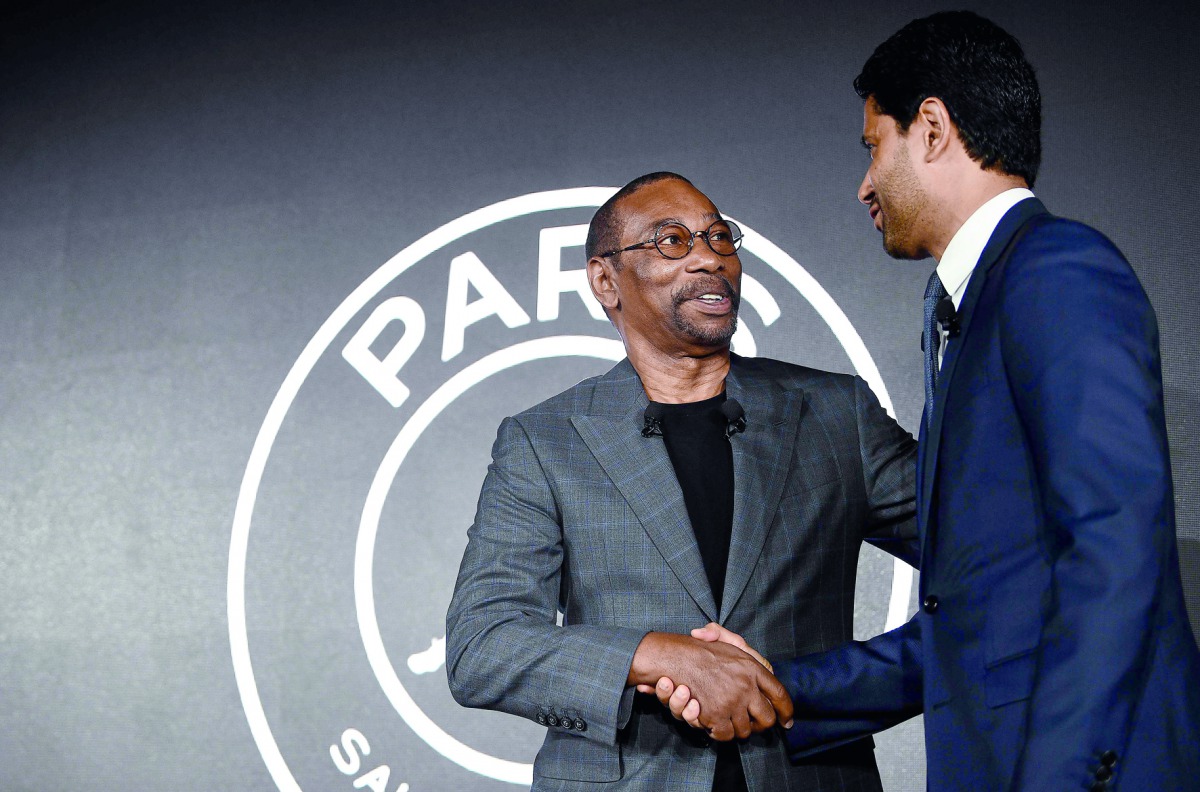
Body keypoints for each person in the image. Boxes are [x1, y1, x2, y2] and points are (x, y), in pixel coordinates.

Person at [658, 11, 1200, 791]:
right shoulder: (965, 314)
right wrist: (773, 688)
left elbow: (1117, 546)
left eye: (873, 144)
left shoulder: (1057, 270)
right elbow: (969, 627)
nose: (865, 184)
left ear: (934, 128)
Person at [445, 171, 919, 791]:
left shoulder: (837, 415)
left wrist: (824, 686)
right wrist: (659, 656)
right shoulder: (544, 440)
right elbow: (483, 646)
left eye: (720, 238)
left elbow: (992, 567)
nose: (707, 257)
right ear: (605, 281)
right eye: (670, 241)